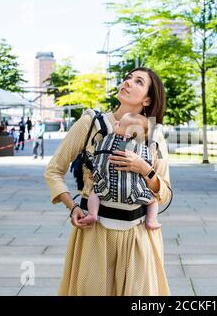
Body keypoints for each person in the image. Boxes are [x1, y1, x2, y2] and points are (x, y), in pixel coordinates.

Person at [44, 67, 172, 296]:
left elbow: (165, 193)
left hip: (138, 235)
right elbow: (54, 170)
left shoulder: (154, 133)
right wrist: (72, 207)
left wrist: (145, 169)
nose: (128, 82)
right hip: (95, 232)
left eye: (138, 81)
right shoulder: (90, 123)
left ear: (148, 99)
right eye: (127, 78)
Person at [83, 112, 162, 230]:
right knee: (153, 200)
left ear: (128, 134)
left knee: (94, 194)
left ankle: (92, 214)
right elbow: (149, 164)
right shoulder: (144, 149)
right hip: (135, 193)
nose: (115, 123)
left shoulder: (104, 141)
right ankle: (151, 220)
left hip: (105, 190)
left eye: (119, 124)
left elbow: (95, 159)